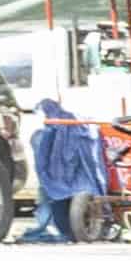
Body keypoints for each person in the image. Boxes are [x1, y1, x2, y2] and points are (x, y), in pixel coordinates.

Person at [24, 97, 101, 241]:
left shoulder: (47, 130)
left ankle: (60, 230)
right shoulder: (66, 127)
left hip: (53, 180)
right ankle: (64, 231)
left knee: (51, 203)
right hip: (63, 179)